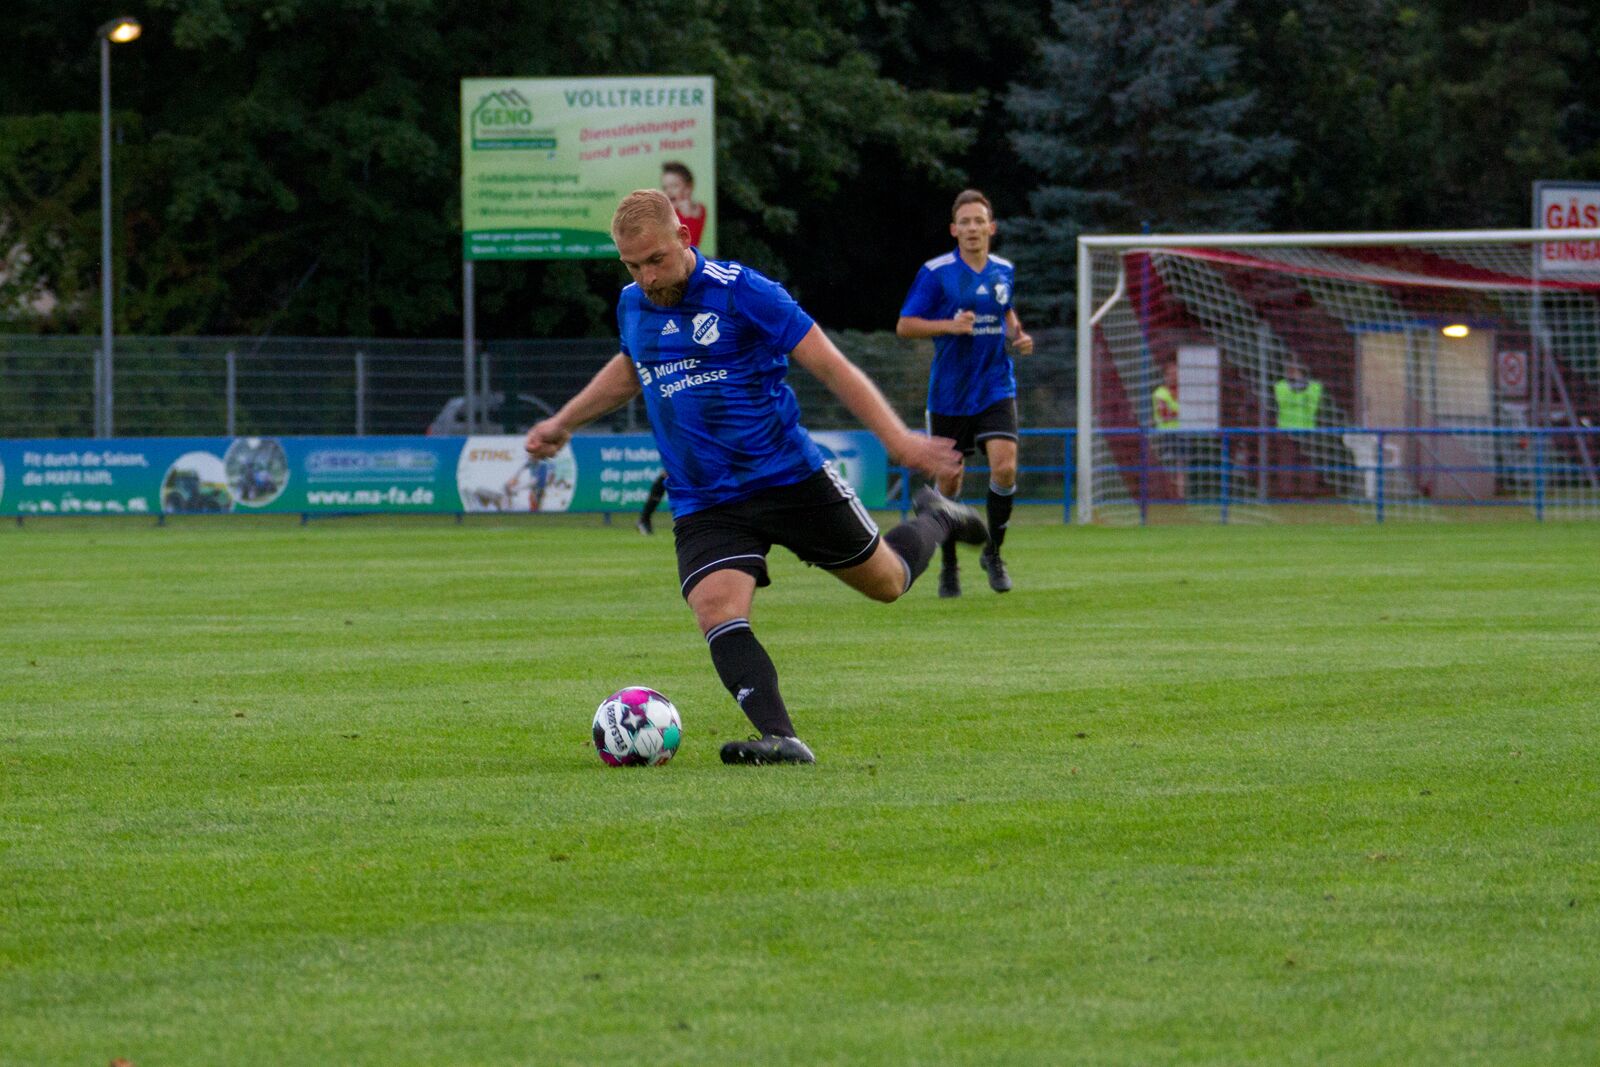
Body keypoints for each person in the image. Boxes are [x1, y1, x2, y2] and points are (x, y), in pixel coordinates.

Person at [525, 189, 986, 766]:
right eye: (632, 265)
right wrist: (564, 422)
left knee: (888, 583)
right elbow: (631, 368)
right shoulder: (632, 305)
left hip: (787, 478)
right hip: (704, 498)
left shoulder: (744, 291)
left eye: (656, 260)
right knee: (716, 609)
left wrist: (898, 441)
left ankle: (937, 517)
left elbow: (830, 365)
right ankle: (782, 737)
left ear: (683, 238)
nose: (646, 277)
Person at [895, 189, 1033, 597]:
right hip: (950, 394)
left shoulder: (1004, 270)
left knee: (1004, 467)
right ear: (954, 230)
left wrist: (1018, 334)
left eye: (979, 221)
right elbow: (905, 325)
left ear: (992, 227)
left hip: (995, 385)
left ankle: (994, 554)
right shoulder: (936, 272)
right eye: (965, 222)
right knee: (950, 482)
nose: (973, 228)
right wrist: (949, 326)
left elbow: (1005, 308)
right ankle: (949, 564)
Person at [1273, 361, 1324, 497]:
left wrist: (1301, 384)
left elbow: (1314, 401)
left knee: (1307, 462)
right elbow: (1284, 400)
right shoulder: (1281, 386)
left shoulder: (1314, 386)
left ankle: (1308, 492)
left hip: (1307, 430)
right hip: (1286, 430)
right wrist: (1296, 385)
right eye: (1290, 371)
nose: (1292, 374)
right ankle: (1285, 493)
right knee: (1286, 462)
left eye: (1295, 371)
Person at [1151, 361, 1185, 500]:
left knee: (1181, 465)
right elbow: (1165, 414)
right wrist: (1181, 413)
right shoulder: (1160, 393)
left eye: (1176, 373)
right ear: (1165, 376)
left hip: (1181, 433)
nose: (1173, 376)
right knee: (1166, 465)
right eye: (1171, 374)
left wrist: (1177, 413)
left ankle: (1181, 496)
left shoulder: (1184, 392)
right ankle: (1166, 495)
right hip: (1165, 433)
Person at [659, 161, 706, 249]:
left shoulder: (699, 209)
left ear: (688, 188)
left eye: (674, 186)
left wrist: (686, 215)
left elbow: (690, 243)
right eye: (665, 188)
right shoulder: (666, 211)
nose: (669, 191)